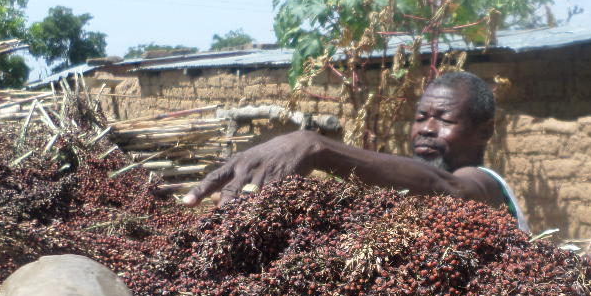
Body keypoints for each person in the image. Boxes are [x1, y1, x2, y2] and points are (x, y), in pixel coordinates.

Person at [181, 71, 529, 231]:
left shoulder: (486, 185)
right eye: (421, 117)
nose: (426, 128)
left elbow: (451, 189)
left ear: (485, 131)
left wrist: (316, 146)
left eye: (444, 119)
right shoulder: (405, 197)